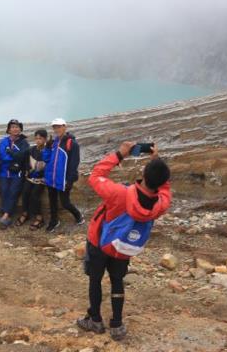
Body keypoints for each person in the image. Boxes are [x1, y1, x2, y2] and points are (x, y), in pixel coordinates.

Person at [76, 142, 171, 341]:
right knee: (117, 281)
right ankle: (117, 324)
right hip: (124, 247)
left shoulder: (120, 193)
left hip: (100, 242)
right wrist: (157, 163)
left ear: (144, 174)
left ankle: (95, 320)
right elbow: (164, 187)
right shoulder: (162, 203)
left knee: (95, 279)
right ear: (162, 181)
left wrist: (119, 154)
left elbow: (95, 176)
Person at [44, 118, 83, 232]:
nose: (57, 129)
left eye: (59, 126)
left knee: (65, 203)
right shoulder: (53, 142)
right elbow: (46, 159)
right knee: (52, 201)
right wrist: (47, 147)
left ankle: (78, 216)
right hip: (51, 177)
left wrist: (69, 180)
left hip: (63, 179)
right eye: (55, 127)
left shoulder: (72, 144)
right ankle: (54, 220)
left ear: (65, 127)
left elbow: (74, 163)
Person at [0, 119, 30, 229]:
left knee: (13, 192)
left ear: (20, 129)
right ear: (8, 130)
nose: (15, 129)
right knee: (4, 191)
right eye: (12, 127)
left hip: (18, 172)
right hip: (4, 172)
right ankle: (7, 214)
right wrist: (15, 157)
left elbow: (23, 156)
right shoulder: (4, 141)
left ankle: (5, 215)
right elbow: (2, 155)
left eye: (17, 127)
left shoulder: (24, 143)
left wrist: (14, 155)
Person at [17, 129, 50, 229]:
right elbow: (26, 162)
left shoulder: (48, 151)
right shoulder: (31, 150)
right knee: (25, 192)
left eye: (40, 138)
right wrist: (28, 170)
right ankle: (25, 213)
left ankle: (39, 217)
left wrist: (42, 174)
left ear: (45, 139)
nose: (38, 140)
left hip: (42, 179)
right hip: (31, 177)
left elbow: (49, 164)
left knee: (35, 195)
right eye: (36, 138)